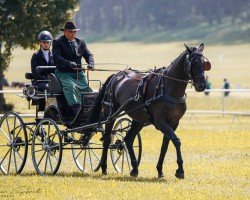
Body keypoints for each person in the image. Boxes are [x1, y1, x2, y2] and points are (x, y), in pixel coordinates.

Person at [52, 21, 94, 118]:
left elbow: (89, 55)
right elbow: (57, 57)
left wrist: (91, 63)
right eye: (70, 32)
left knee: (87, 90)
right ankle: (76, 110)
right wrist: (68, 63)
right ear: (65, 32)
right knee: (70, 87)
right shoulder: (58, 42)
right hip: (64, 73)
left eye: (74, 32)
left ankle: (91, 110)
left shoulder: (80, 42)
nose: (73, 34)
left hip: (78, 73)